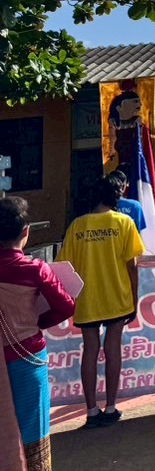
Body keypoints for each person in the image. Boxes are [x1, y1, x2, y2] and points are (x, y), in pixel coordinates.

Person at [57, 178, 144, 426]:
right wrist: (134, 298)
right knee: (113, 348)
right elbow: (132, 266)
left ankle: (91, 410)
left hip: (87, 299)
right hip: (117, 296)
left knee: (90, 350)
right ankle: (111, 406)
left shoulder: (77, 226)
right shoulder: (124, 222)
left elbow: (65, 266)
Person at [0, 196, 76, 471]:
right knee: (33, 431)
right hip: (27, 358)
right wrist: (35, 323)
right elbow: (66, 306)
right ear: (26, 232)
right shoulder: (34, 269)